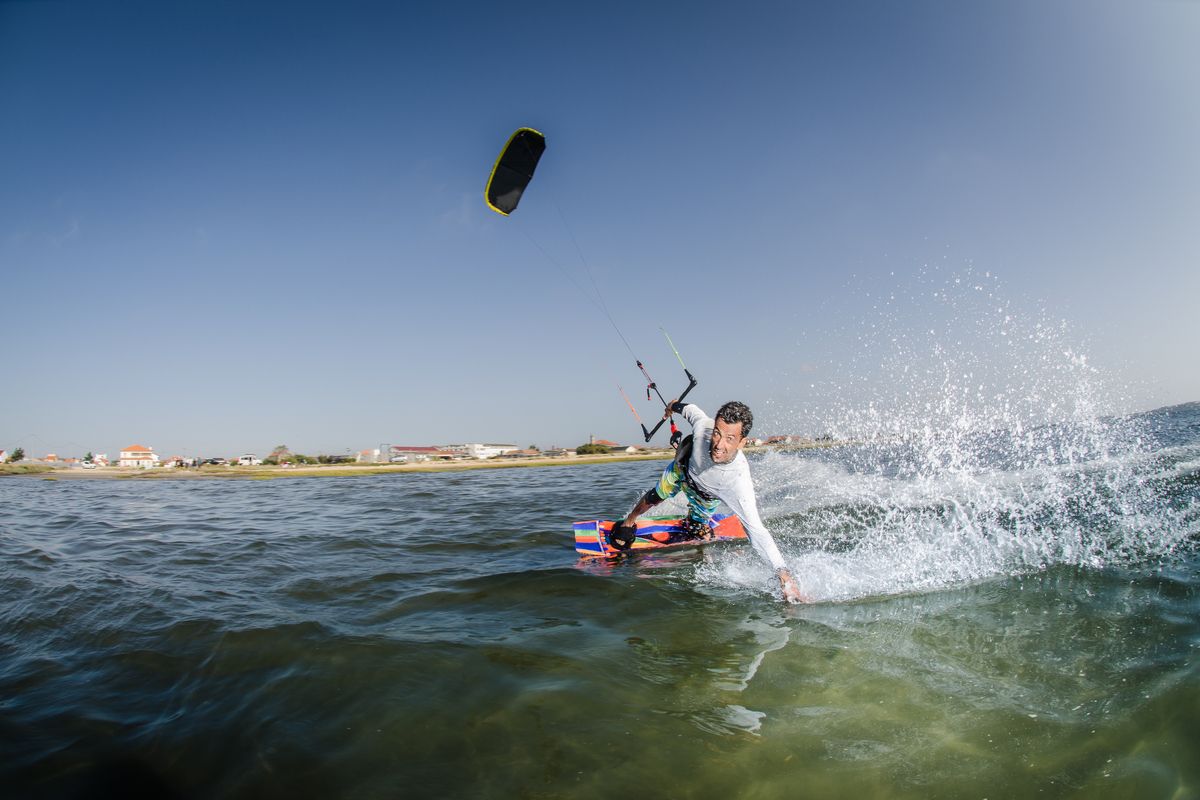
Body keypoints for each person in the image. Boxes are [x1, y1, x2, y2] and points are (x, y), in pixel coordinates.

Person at [612, 400, 808, 603]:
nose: (718, 444)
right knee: (655, 496)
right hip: (682, 470)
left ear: (742, 442)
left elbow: (757, 531)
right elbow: (690, 410)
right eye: (717, 433)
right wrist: (673, 406)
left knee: (696, 526)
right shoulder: (703, 426)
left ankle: (697, 525)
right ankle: (629, 521)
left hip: (705, 494)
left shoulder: (738, 483)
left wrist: (784, 576)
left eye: (730, 438)